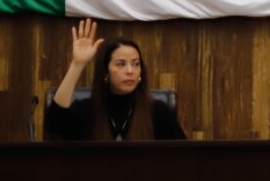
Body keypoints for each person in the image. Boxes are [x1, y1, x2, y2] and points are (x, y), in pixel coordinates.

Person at [46, 18, 185, 140]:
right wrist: (77, 64)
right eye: (121, 64)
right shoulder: (88, 110)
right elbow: (56, 123)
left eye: (136, 64)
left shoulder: (158, 111)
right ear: (105, 71)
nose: (130, 71)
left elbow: (183, 155)